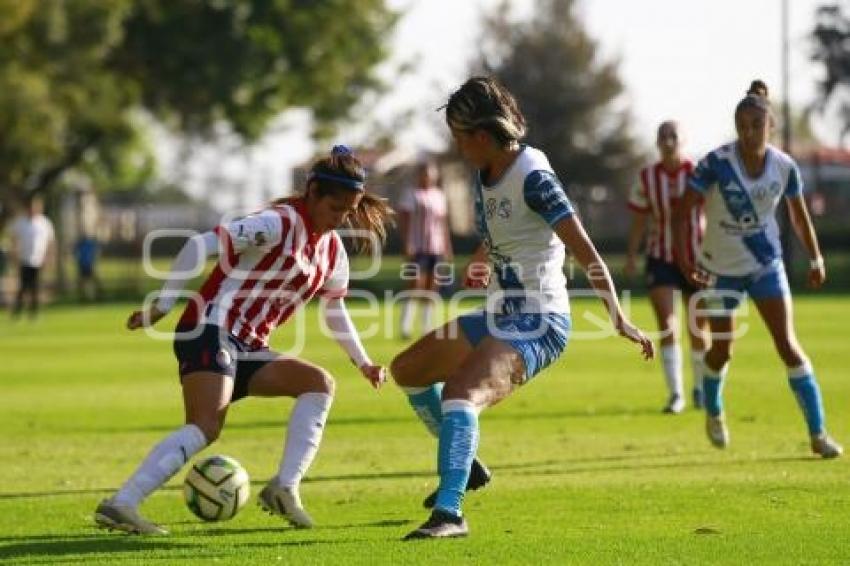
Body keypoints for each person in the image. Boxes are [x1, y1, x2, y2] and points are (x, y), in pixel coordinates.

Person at [390, 77, 655, 540]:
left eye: (459, 136)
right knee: (408, 369)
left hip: (541, 321)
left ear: (483, 135)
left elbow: (586, 250)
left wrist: (619, 315)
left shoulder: (534, 176)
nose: (457, 147)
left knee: (460, 393)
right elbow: (497, 234)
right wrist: (478, 261)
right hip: (500, 312)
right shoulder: (483, 173)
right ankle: (466, 467)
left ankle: (450, 512)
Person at [94, 146, 394, 535]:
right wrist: (162, 305)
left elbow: (333, 308)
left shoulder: (333, 251)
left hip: (249, 345)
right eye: (335, 208)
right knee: (205, 425)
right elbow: (198, 245)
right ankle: (122, 504)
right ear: (314, 192)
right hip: (209, 327)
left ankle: (284, 488)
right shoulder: (277, 223)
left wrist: (364, 361)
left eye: (348, 212)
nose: (340, 220)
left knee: (318, 383)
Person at [675, 80, 842, 458]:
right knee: (721, 351)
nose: (749, 132)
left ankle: (818, 434)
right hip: (720, 271)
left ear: (771, 127)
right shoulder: (716, 164)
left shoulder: (785, 167)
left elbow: (799, 218)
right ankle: (714, 410)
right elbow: (683, 211)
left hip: (765, 265)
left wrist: (815, 258)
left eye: (756, 124)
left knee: (788, 345)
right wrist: (686, 259)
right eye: (742, 125)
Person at [626, 121, 709, 413]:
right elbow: (639, 219)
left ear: (683, 139)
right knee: (667, 324)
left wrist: (716, 251)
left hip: (697, 257)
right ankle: (676, 394)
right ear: (657, 141)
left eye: (673, 135)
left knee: (699, 326)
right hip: (660, 256)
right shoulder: (647, 177)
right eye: (663, 136)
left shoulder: (698, 172)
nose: (668, 141)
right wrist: (632, 255)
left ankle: (700, 388)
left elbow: (711, 211)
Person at [397, 160, 453, 339]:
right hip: (418, 247)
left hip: (435, 247)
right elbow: (404, 220)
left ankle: (426, 327)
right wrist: (407, 243)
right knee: (415, 286)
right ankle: (405, 326)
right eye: (425, 173)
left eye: (431, 174)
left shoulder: (439, 196)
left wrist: (447, 246)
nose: (428, 177)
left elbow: (443, 224)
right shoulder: (411, 194)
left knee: (432, 288)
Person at [10, 195, 54, 320]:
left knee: (35, 287)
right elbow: (14, 240)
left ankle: (33, 313)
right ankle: (17, 312)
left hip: (39, 260)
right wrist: (15, 257)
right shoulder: (20, 223)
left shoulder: (44, 223)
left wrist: (49, 257)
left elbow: (50, 242)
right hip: (24, 259)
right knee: (23, 287)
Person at [74, 233, 103, 302]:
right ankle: (83, 297)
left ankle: (98, 296)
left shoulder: (88, 244)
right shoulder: (81, 244)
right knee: (83, 282)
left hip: (88, 265)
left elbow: (96, 251)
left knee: (92, 281)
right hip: (83, 265)